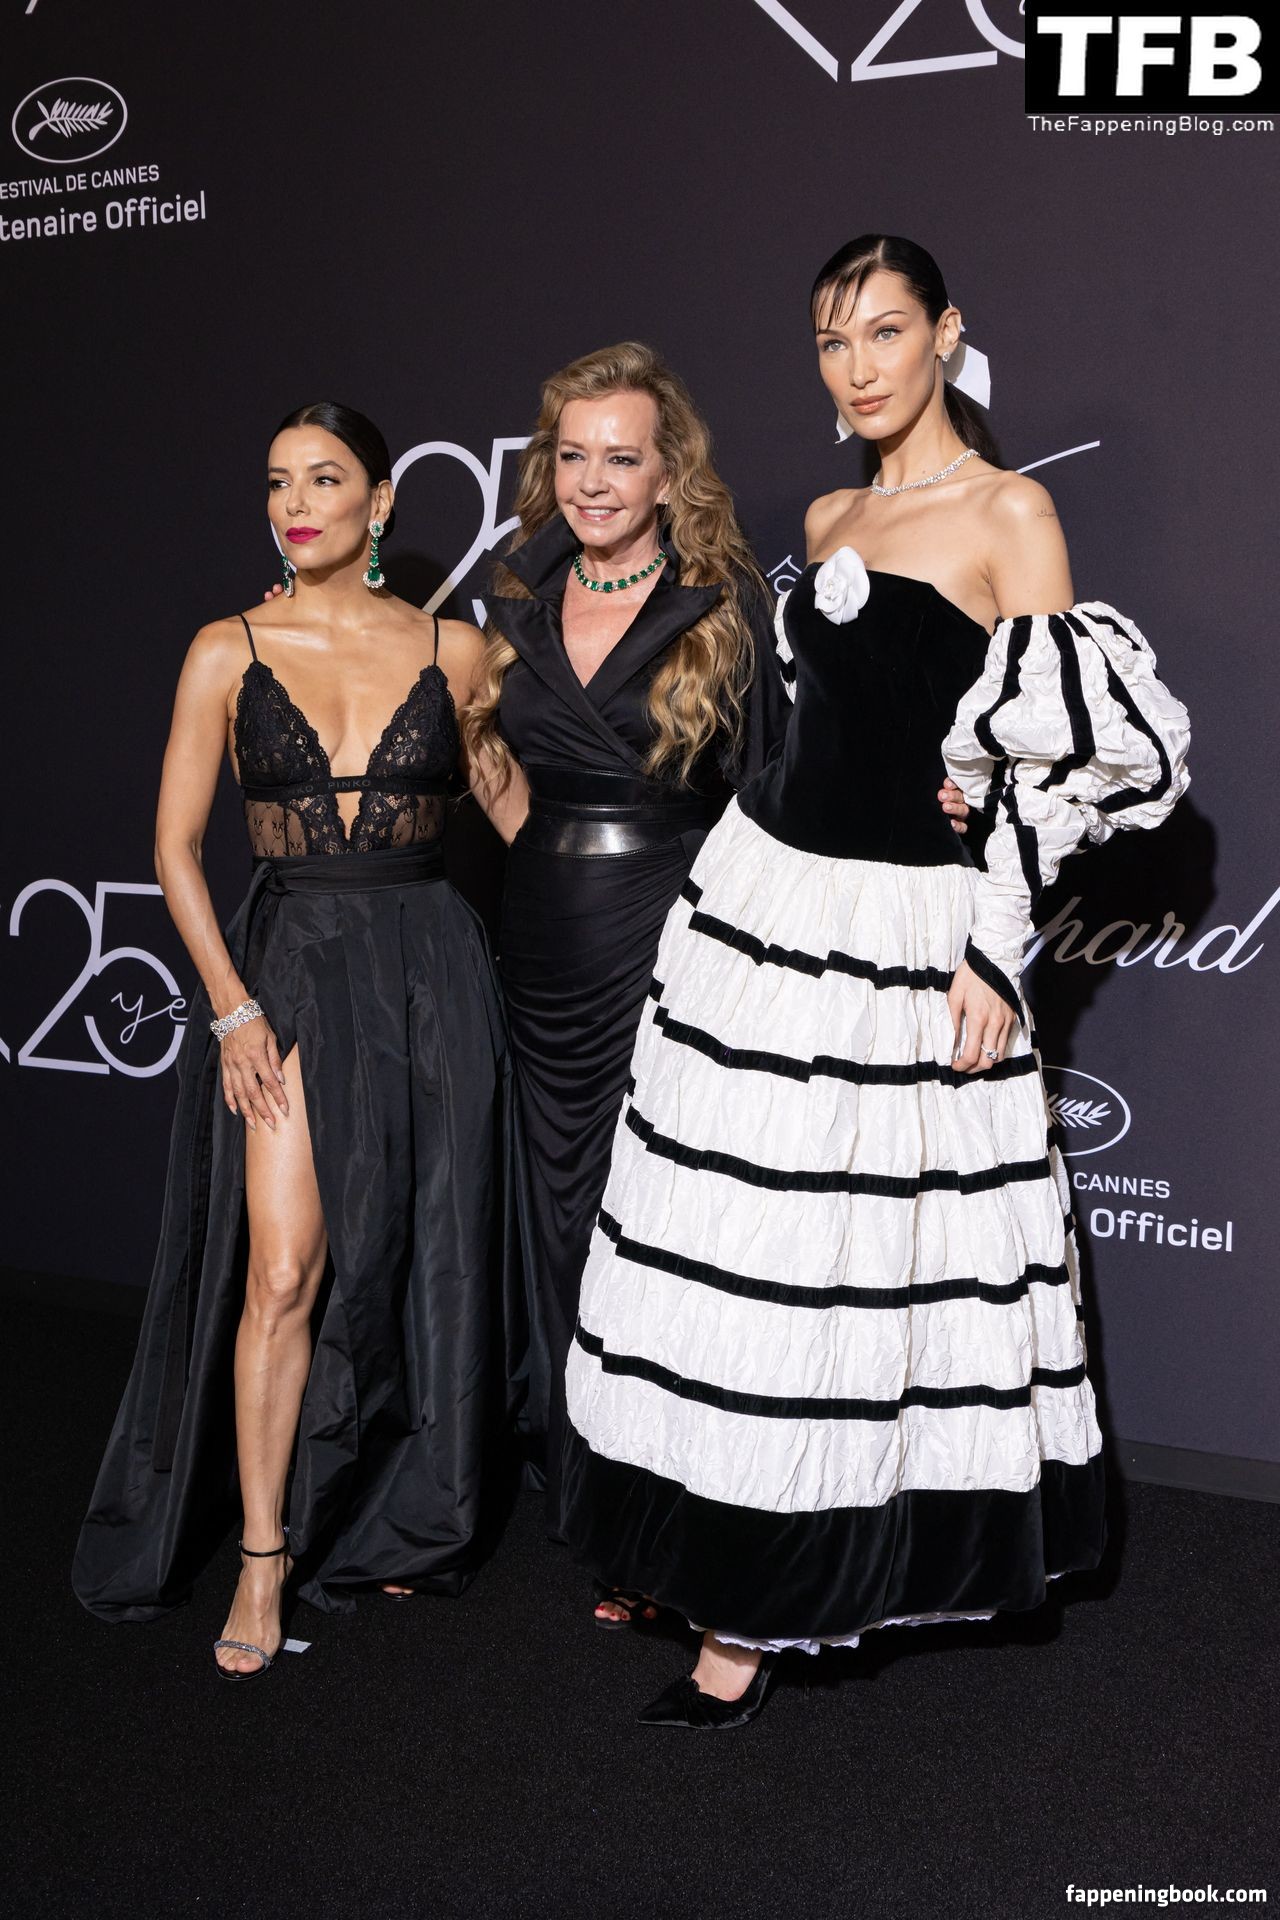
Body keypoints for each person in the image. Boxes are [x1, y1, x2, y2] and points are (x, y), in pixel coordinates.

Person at [560, 236, 1191, 1726]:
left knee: (858, 1267)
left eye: (885, 332)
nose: (857, 368)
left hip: (909, 926)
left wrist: (994, 947)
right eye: (832, 341)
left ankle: (757, 1619)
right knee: (744, 1247)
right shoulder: (827, 513)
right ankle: (709, 1557)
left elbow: (1049, 752)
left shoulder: (1010, 512)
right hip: (769, 900)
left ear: (946, 335)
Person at [461, 342, 974, 1608]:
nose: (591, 481)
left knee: (659, 1221)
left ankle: (649, 1514)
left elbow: (781, 780)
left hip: (677, 933)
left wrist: (929, 795)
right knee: (549, 1211)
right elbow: (494, 766)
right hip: (541, 931)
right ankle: (570, 1473)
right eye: (571, 456)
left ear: (665, 473)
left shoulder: (719, 603)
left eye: (620, 458)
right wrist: (543, 846)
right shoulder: (515, 591)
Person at [72, 403, 526, 1679]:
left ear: (379, 503)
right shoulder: (224, 648)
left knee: (425, 1255)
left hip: (432, 970)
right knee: (281, 1272)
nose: (295, 505)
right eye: (277, 482)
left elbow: (521, 824)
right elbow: (173, 848)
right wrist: (232, 1008)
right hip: (293, 973)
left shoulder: (454, 649)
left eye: (324, 480)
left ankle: (396, 1501)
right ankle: (262, 1555)